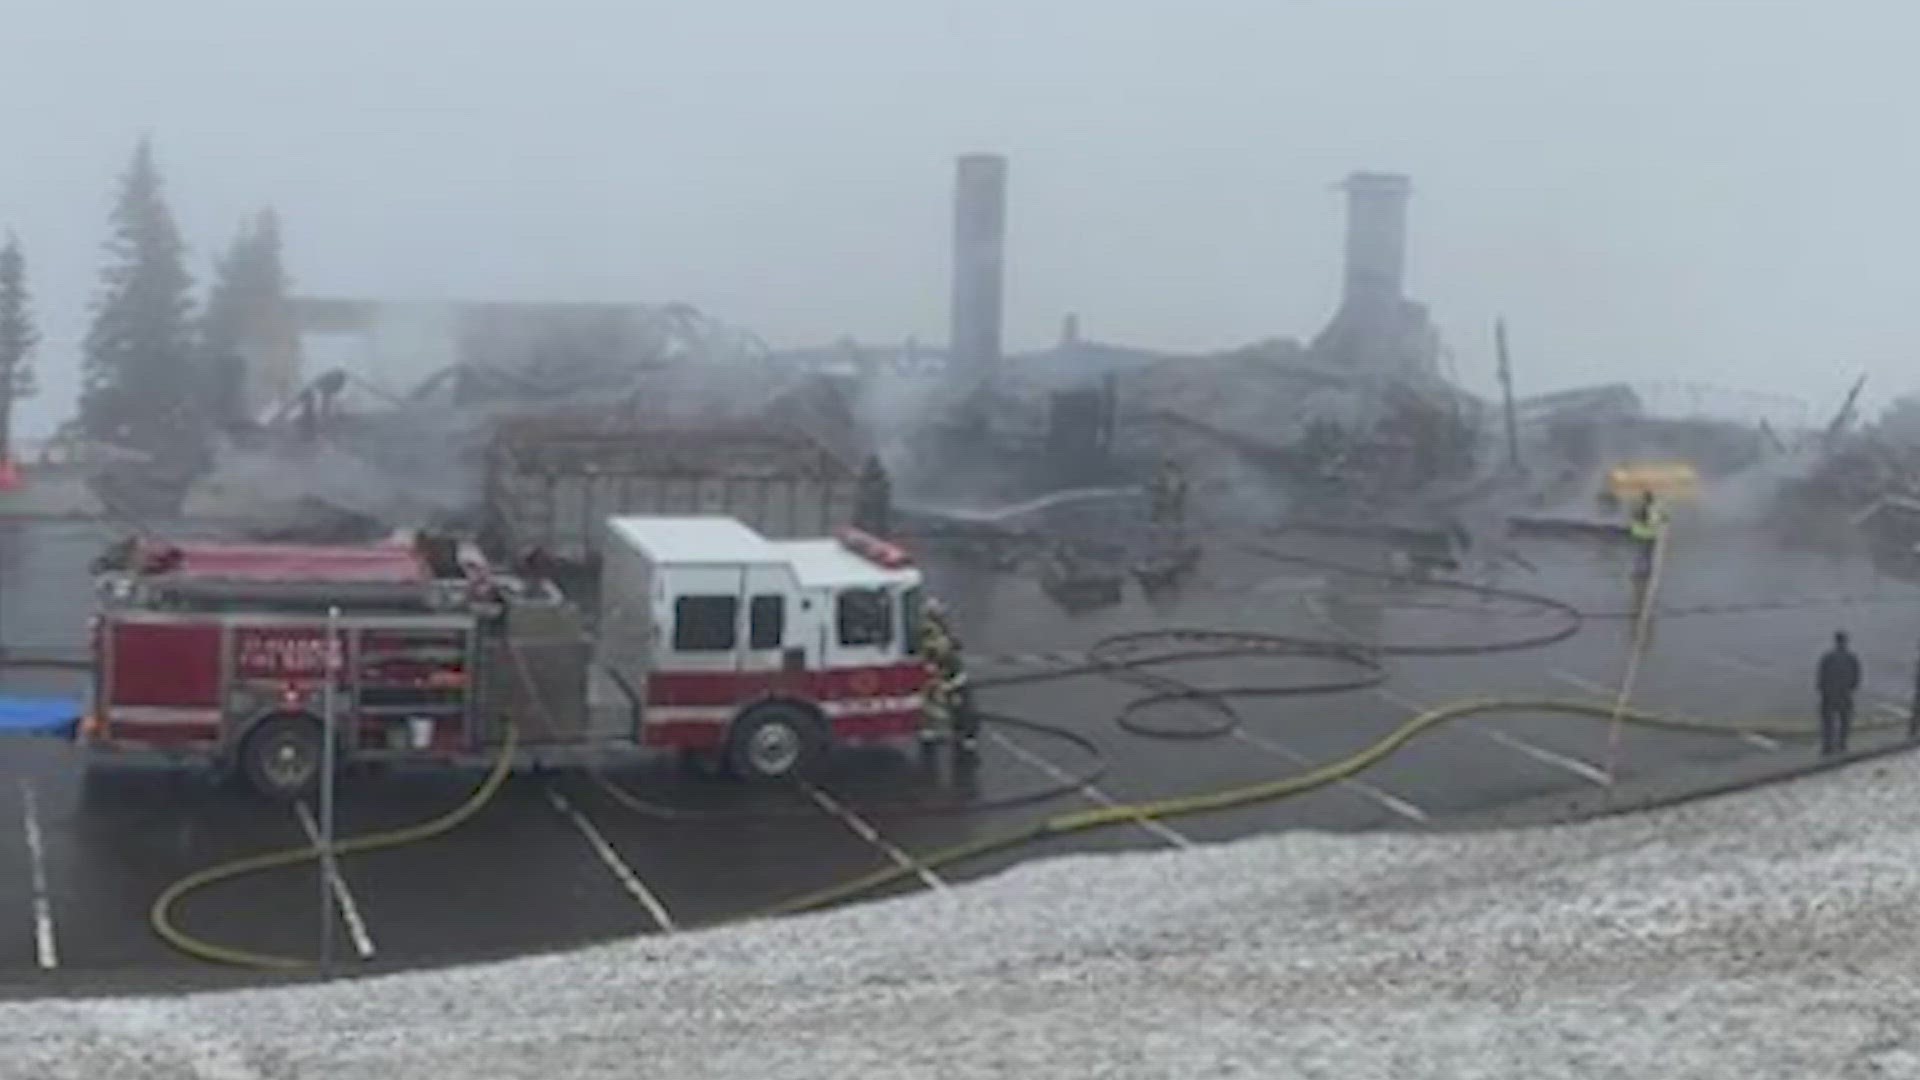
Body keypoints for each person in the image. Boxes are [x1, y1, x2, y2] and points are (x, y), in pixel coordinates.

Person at [918, 600, 978, 752]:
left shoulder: (938, 632)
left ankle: (961, 734)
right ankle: (963, 736)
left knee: (956, 705)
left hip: (945, 676)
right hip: (942, 675)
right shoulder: (931, 634)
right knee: (956, 705)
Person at [1817, 631, 1862, 756]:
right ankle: (1842, 745)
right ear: (1846, 642)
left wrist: (1823, 691)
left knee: (1828, 722)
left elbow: (1821, 677)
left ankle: (1827, 747)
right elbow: (1856, 679)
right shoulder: (1852, 658)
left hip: (1830, 694)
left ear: (1835, 641)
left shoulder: (1827, 657)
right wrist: (1850, 688)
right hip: (1845, 694)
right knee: (1845, 721)